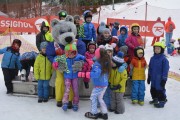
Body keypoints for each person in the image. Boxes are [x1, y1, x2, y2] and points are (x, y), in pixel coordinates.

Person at [78, 48, 111, 119]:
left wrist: (84, 74)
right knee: (100, 98)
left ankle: (93, 113)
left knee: (93, 98)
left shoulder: (98, 64)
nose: (95, 56)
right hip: (104, 84)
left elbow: (96, 74)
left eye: (96, 54)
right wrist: (92, 64)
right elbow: (99, 69)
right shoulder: (105, 61)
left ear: (99, 55)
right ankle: (104, 113)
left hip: (99, 85)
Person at [61, 44, 86, 111]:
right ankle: (65, 103)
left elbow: (85, 58)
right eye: (69, 52)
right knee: (67, 89)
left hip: (75, 76)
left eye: (73, 52)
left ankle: (75, 103)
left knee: (76, 90)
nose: (71, 54)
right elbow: (56, 60)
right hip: (67, 77)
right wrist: (56, 63)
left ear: (76, 52)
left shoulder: (78, 57)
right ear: (66, 52)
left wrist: (83, 62)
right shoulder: (64, 58)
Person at [147, 42, 169, 108]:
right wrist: (149, 76)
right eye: (155, 48)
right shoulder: (152, 58)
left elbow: (165, 70)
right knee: (153, 89)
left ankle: (162, 102)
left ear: (161, 50)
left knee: (160, 90)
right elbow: (150, 68)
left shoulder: (164, 59)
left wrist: (164, 79)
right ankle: (155, 99)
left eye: (158, 49)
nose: (156, 50)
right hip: (153, 78)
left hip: (160, 79)